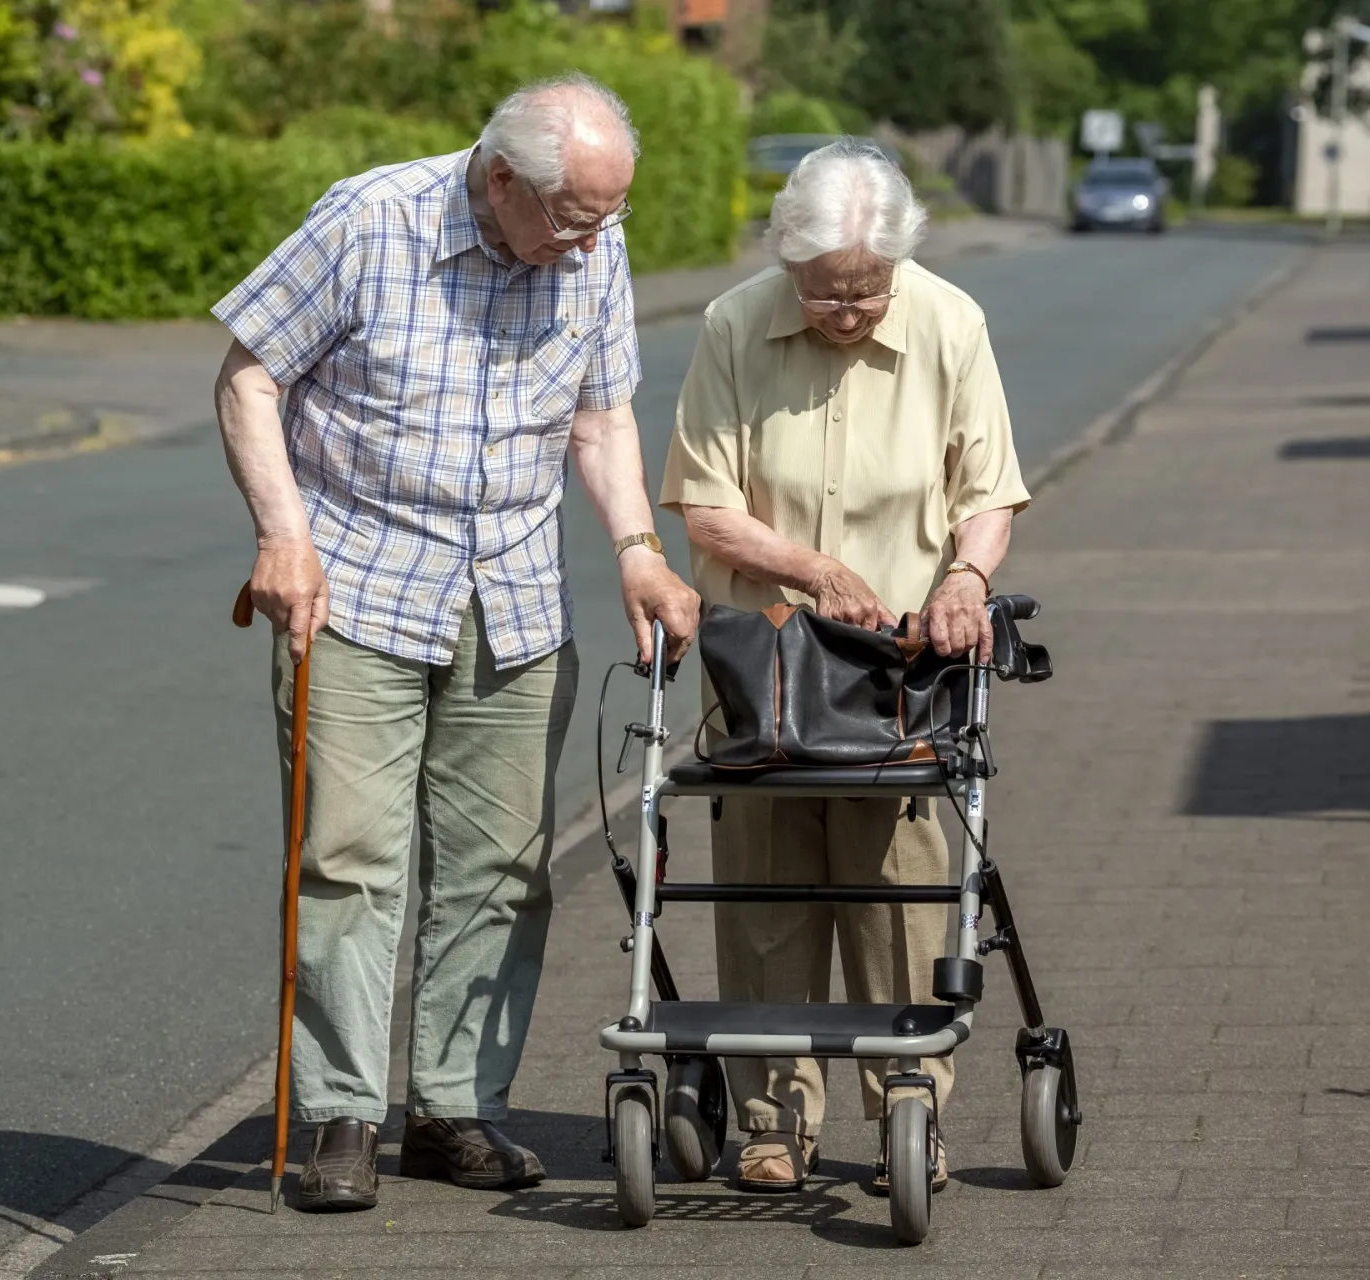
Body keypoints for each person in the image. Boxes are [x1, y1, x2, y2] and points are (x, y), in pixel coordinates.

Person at [212, 74, 700, 1213]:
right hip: (358, 592)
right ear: (500, 181)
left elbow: (603, 412)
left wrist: (634, 543)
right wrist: (283, 533)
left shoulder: (591, 250)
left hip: (518, 602)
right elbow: (248, 374)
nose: (591, 245)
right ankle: (342, 1112)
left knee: (501, 871)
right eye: (574, 218)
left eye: (609, 220)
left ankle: (453, 1107)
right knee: (350, 861)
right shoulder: (369, 219)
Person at [659, 139, 1029, 1195]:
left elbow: (988, 487)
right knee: (768, 885)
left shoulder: (951, 322)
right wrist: (810, 566)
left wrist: (967, 576)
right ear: (790, 264)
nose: (849, 308)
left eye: (869, 289)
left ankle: (910, 1101)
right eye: (827, 291)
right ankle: (774, 1116)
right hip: (765, 652)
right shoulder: (735, 323)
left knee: (899, 888)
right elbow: (705, 499)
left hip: (898, 661)